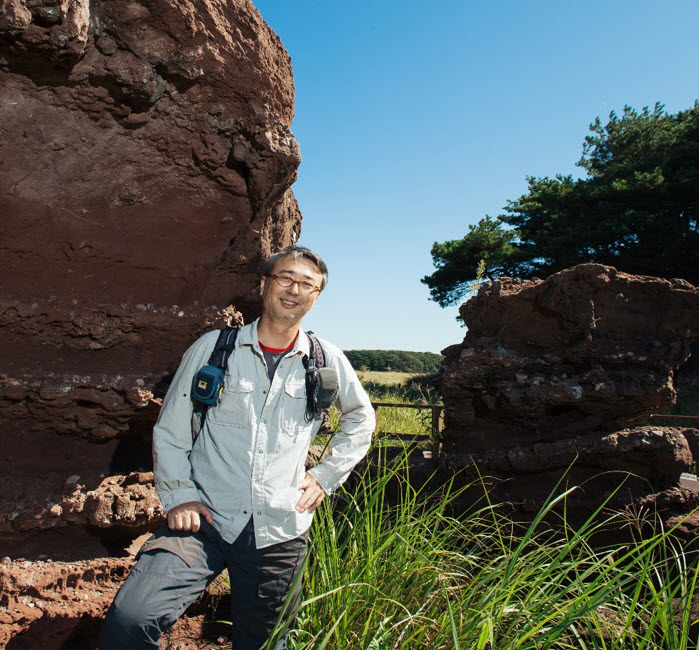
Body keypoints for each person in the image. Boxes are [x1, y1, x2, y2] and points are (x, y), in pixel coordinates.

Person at [101, 246, 375, 649]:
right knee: (130, 620)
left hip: (280, 529)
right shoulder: (214, 348)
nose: (293, 289)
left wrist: (325, 476)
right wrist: (179, 497)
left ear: (316, 297)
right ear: (264, 284)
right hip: (203, 521)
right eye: (285, 278)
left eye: (307, 284)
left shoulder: (326, 359)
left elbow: (361, 418)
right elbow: (171, 430)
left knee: (264, 644)